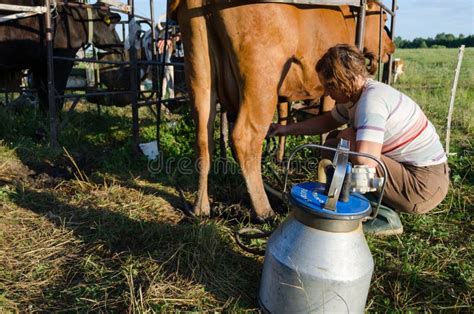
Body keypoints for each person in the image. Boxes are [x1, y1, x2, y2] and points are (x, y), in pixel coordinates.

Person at [268, 44, 450, 235]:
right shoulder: (357, 95)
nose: (327, 93)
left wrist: (347, 136)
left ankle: (382, 215)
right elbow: (327, 121)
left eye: (330, 85)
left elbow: (365, 159)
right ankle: (358, 199)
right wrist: (285, 129)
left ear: (349, 79)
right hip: (418, 175)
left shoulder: (372, 102)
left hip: (422, 187)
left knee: (346, 145)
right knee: (333, 144)